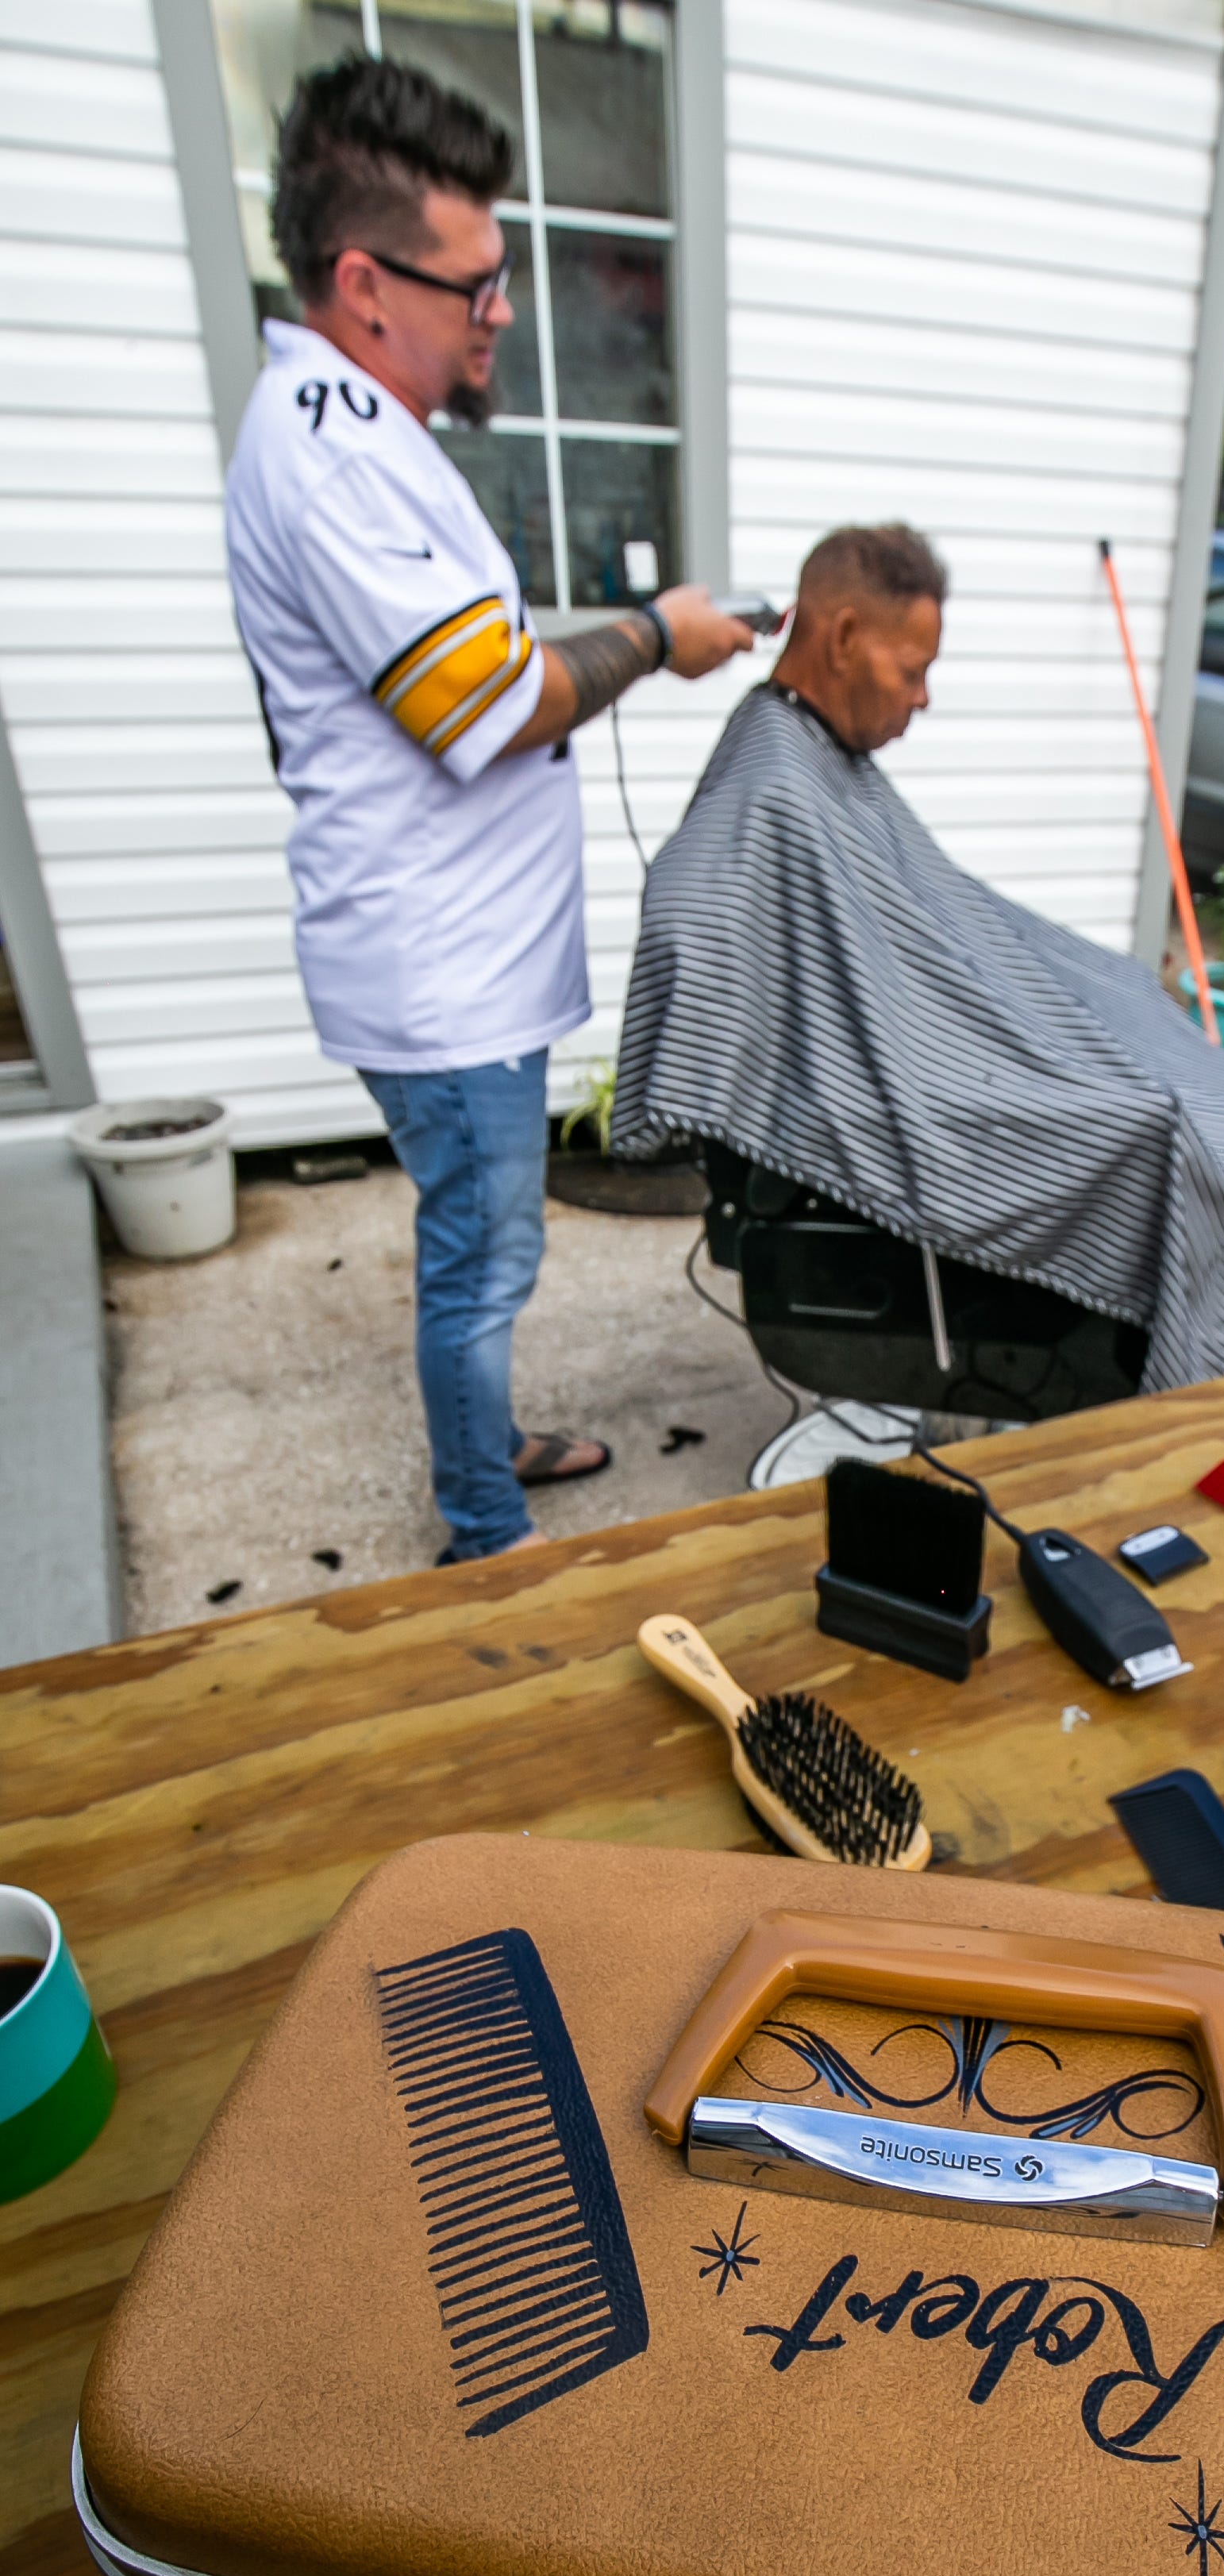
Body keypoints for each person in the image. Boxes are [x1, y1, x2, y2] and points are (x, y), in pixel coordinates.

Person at [224, 55, 753, 1564]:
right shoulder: (332, 455)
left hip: (461, 957)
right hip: (439, 974)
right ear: (363, 284)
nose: (501, 311)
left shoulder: (365, 433)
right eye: (476, 281)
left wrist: (627, 638)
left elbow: (468, 664)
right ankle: (484, 1529)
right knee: (482, 1254)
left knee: (481, 1241)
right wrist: (655, 636)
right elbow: (490, 702)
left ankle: (481, 1440)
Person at [615, 525, 1224, 1390]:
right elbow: (689, 909)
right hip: (933, 1094)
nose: (923, 698)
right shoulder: (773, 780)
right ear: (842, 637)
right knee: (1212, 1153)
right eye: (912, 671)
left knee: (1208, 1092)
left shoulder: (822, 756)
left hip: (964, 1046)